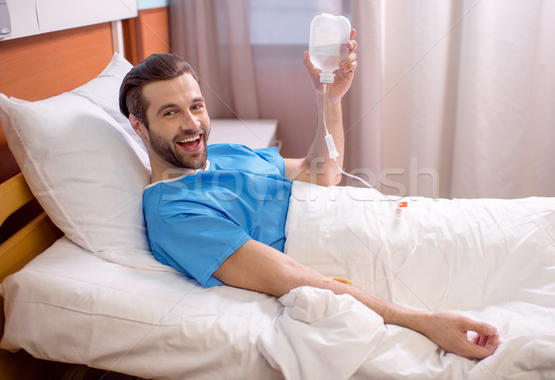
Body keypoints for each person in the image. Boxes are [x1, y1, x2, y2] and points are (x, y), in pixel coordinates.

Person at [119, 31, 499, 360]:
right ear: (138, 125)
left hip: (391, 219)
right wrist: (423, 322)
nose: (192, 124)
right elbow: (290, 276)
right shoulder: (173, 211)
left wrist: (329, 99)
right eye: (170, 113)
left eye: (196, 106)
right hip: (366, 251)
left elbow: (322, 173)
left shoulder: (224, 154)